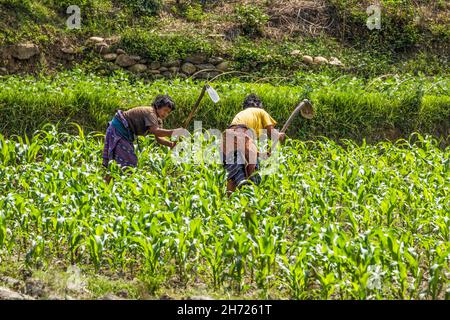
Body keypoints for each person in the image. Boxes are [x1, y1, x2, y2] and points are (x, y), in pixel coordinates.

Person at [102, 94, 185, 182]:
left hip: (124, 135)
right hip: (118, 131)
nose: (166, 114)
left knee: (119, 163)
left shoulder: (158, 120)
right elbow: (155, 131)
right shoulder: (150, 113)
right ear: (158, 106)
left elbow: (158, 138)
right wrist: (174, 132)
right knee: (128, 163)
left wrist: (170, 144)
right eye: (165, 110)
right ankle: (114, 185)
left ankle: (108, 184)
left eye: (168, 112)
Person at [221, 94, 285, 195]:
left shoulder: (242, 115)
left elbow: (243, 145)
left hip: (226, 139)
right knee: (252, 175)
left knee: (234, 174)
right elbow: (272, 133)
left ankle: (229, 203)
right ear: (259, 106)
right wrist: (279, 135)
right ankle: (251, 200)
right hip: (241, 134)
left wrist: (260, 154)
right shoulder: (261, 112)